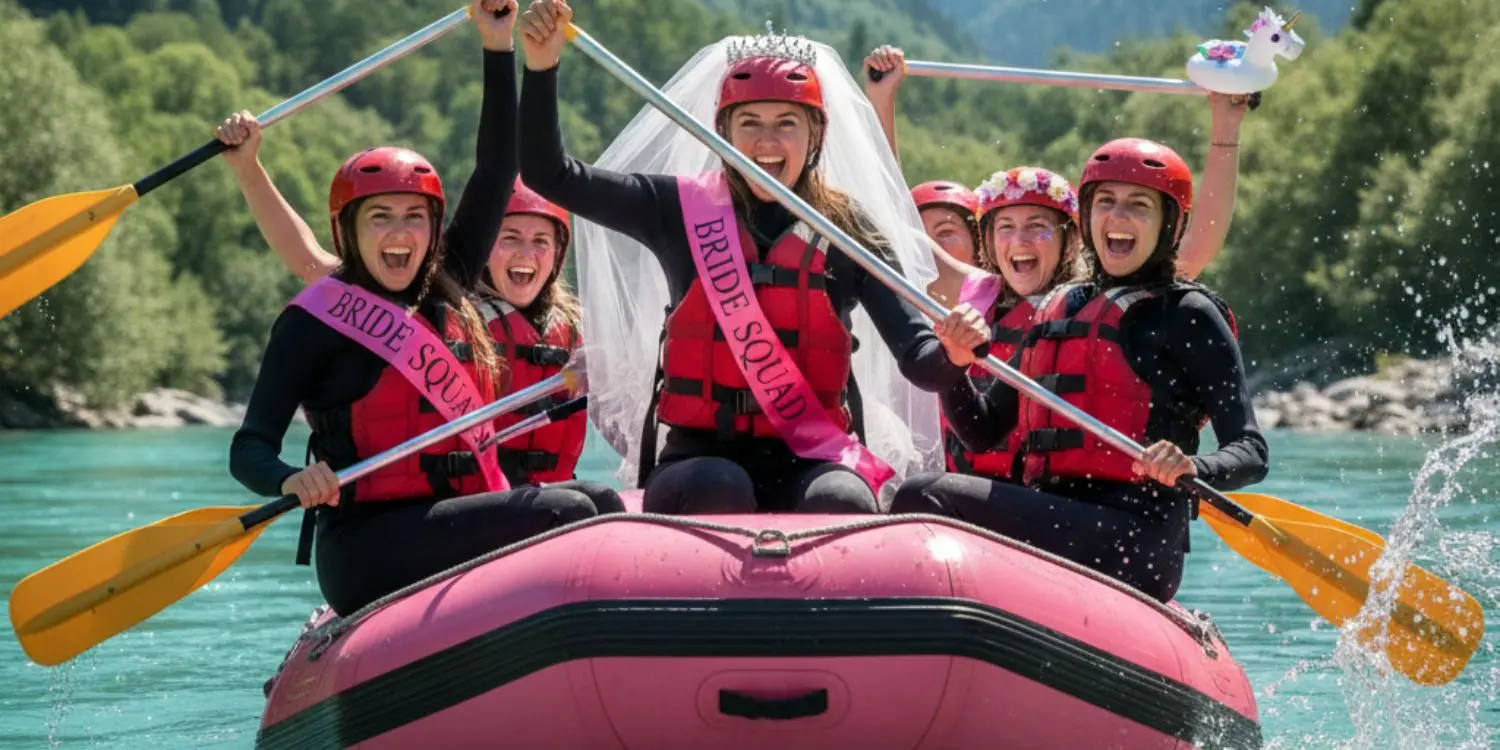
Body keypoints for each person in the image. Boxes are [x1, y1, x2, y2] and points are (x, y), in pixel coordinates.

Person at [225, 0, 616, 617]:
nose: (399, 234)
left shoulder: (451, 281)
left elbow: (496, 168)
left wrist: (498, 47)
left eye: (415, 217)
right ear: (347, 229)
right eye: (380, 218)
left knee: (600, 501)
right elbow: (248, 446)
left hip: (453, 514)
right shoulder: (313, 322)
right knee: (567, 510)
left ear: (435, 230)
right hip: (366, 546)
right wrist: (287, 479)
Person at [516, 0, 951, 514]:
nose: (766, 142)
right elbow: (552, 176)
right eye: (750, 123)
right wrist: (541, 66)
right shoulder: (674, 209)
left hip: (814, 455)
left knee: (842, 500)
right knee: (719, 486)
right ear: (723, 132)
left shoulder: (850, 231)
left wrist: (956, 352)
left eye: (786, 123)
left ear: (816, 135)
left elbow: (918, 356)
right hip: (699, 456)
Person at [891, 137, 1270, 603]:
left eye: (1139, 205)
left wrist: (1194, 465)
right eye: (1106, 201)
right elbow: (981, 431)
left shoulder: (1188, 312)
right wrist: (955, 362)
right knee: (917, 494)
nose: (1119, 217)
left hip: (1136, 536)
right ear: (1088, 215)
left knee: (923, 496)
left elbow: (1250, 450)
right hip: (1058, 513)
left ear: (1169, 224)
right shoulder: (1061, 306)